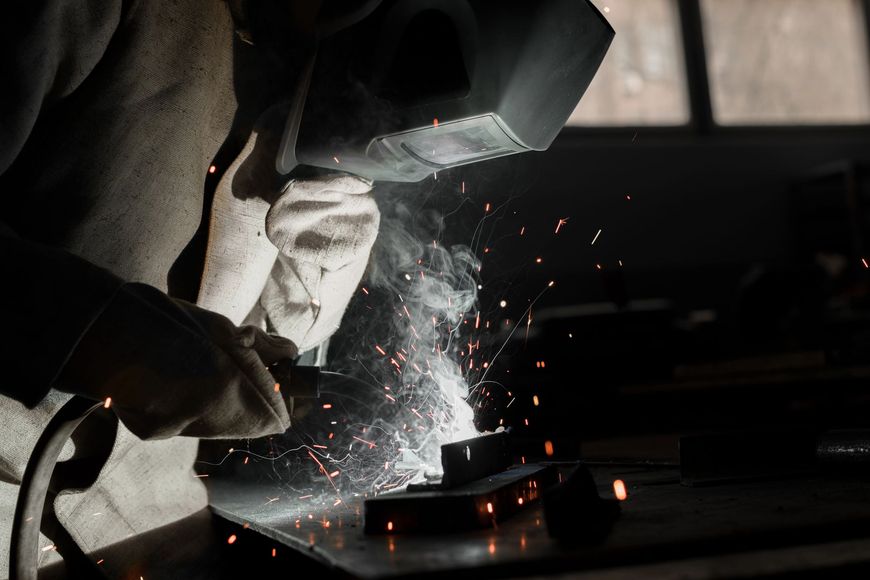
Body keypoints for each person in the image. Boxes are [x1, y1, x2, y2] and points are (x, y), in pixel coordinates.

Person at [0, 0, 379, 572]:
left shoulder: (307, 51)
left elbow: (257, 348)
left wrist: (314, 276)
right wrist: (106, 336)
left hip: (153, 525)